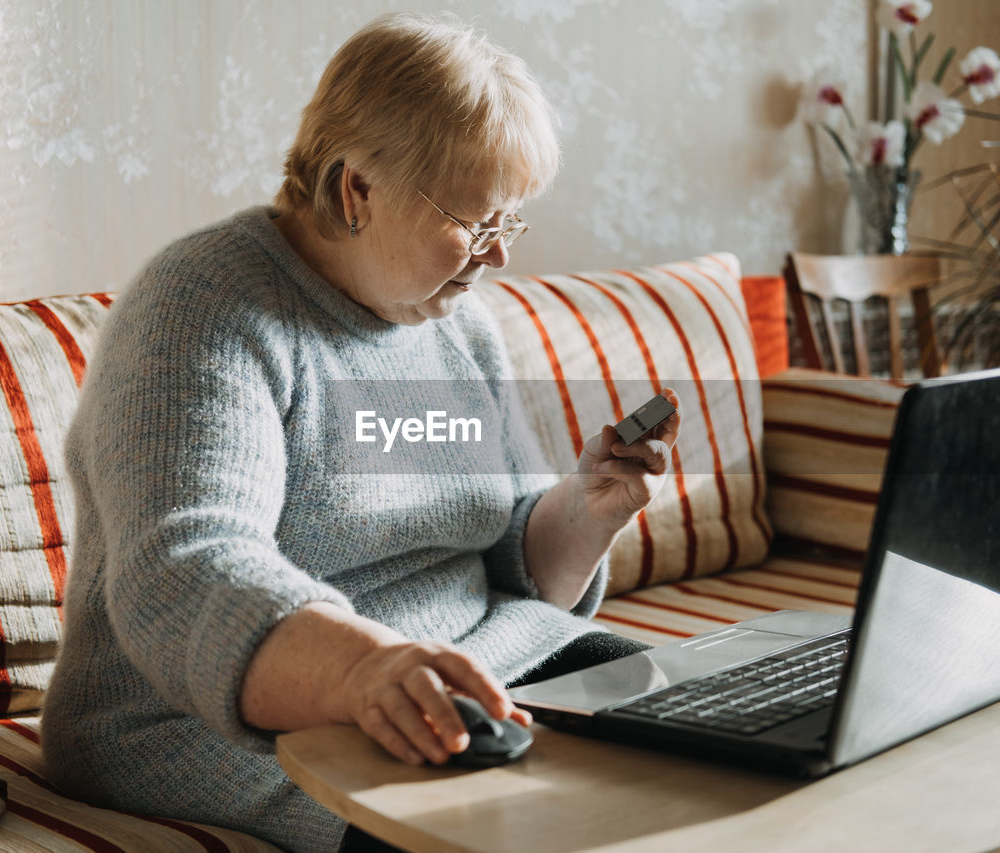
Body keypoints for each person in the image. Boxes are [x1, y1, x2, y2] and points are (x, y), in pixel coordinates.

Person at [42, 12, 680, 852]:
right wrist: (360, 669)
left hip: (461, 660)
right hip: (202, 712)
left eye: (508, 223)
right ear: (356, 190)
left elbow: (511, 560)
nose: (496, 258)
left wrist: (587, 511)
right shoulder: (204, 308)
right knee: (491, 824)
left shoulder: (459, 322)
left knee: (684, 743)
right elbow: (187, 570)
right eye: (475, 222)